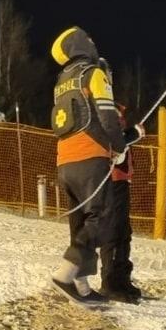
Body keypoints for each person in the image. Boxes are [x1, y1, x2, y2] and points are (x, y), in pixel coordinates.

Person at [49, 27, 141, 304]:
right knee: (99, 220)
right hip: (90, 159)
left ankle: (82, 286)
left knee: (81, 223)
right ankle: (65, 275)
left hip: (64, 160)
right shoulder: (93, 74)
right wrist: (122, 143)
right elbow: (106, 117)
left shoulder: (62, 80)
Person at [99, 99, 141, 303]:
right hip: (112, 182)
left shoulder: (116, 113)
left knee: (124, 232)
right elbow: (115, 146)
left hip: (122, 182)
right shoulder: (104, 115)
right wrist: (134, 134)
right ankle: (110, 282)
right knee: (113, 231)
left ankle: (122, 278)